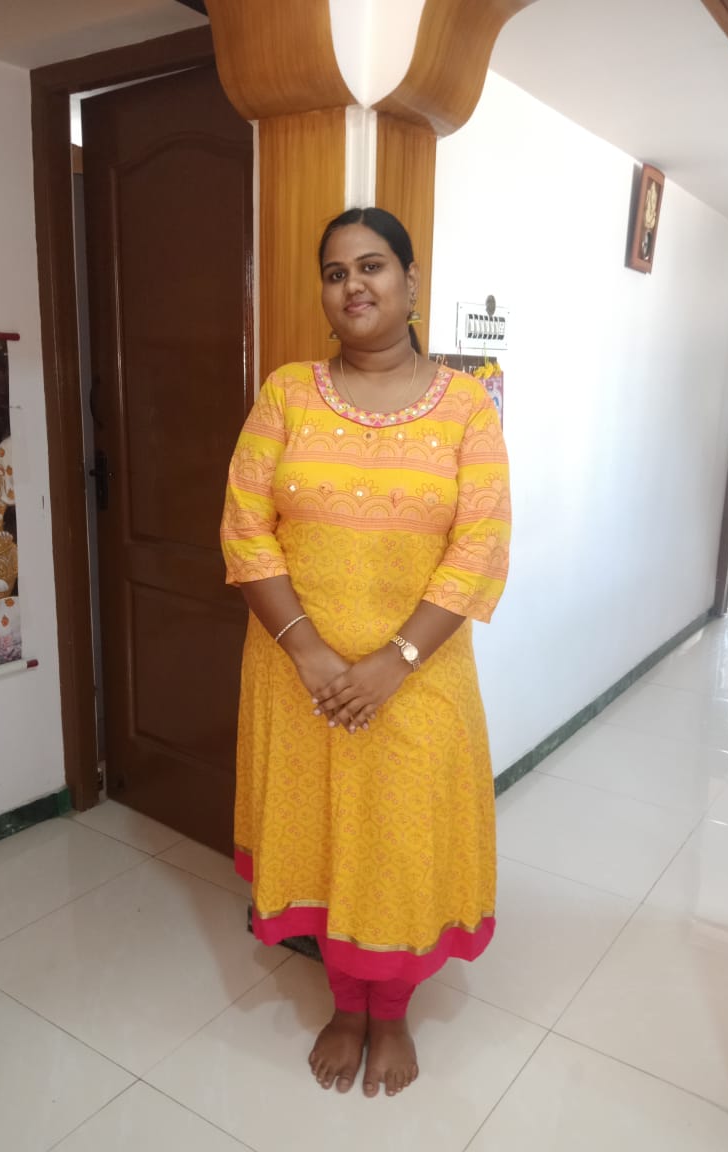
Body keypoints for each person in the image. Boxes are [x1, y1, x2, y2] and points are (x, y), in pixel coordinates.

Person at [220, 207, 511, 1098]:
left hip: (420, 680)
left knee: (399, 845)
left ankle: (392, 1013)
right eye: (336, 271)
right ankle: (346, 1007)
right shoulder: (285, 394)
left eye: (373, 265)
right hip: (295, 675)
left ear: (411, 281)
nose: (353, 285)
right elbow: (244, 528)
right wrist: (308, 651)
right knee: (321, 843)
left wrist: (395, 661)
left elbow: (480, 545)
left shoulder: (467, 404)